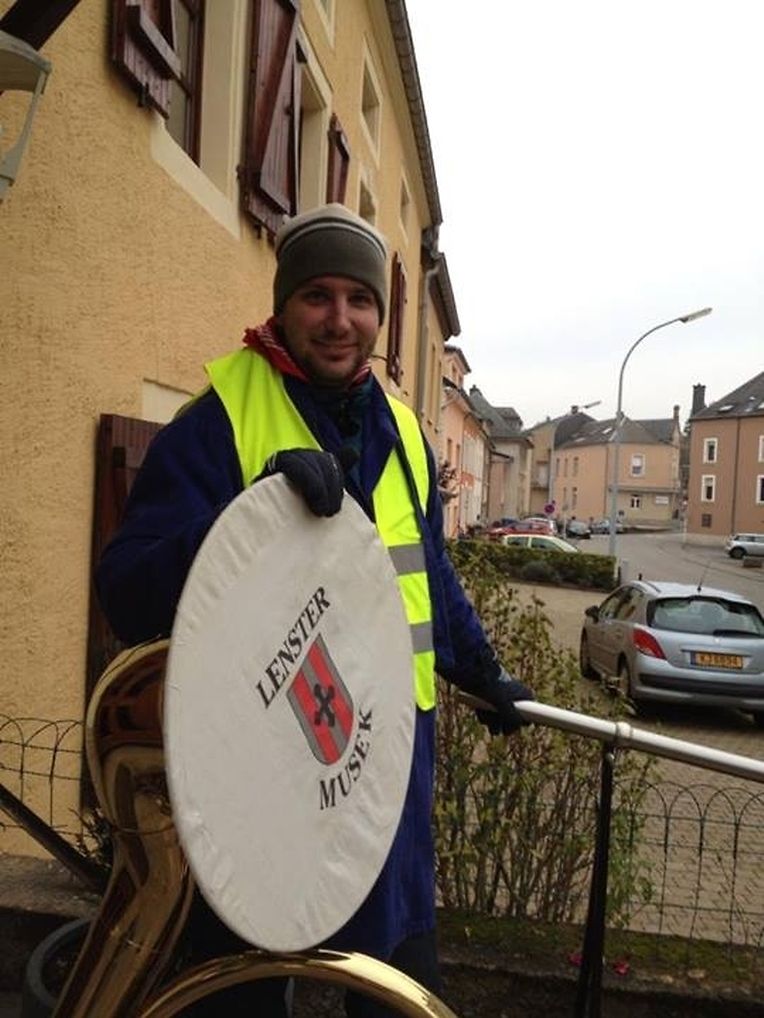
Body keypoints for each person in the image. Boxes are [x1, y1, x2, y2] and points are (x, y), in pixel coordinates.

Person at [96, 203, 534, 1016]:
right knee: (242, 993)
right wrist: (245, 519)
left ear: (380, 314)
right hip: (259, 781)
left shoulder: (403, 431)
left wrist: (484, 673)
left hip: (384, 766)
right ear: (282, 305)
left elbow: (427, 574)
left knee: (396, 991)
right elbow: (126, 590)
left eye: (359, 299)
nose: (340, 320)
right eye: (317, 296)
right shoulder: (218, 423)